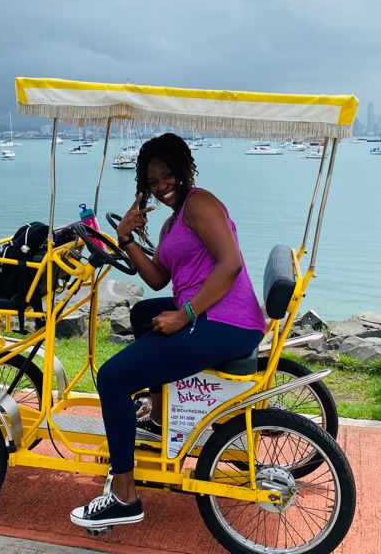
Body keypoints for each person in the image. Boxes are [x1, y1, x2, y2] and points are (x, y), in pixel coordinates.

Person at [70, 132, 267, 529]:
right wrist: (125, 239)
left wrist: (186, 315)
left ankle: (124, 496)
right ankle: (159, 419)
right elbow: (159, 279)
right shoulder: (174, 222)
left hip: (224, 320)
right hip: (213, 314)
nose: (162, 187)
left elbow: (229, 264)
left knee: (111, 379)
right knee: (144, 313)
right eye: (153, 182)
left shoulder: (200, 203)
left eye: (168, 175)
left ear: (184, 169)